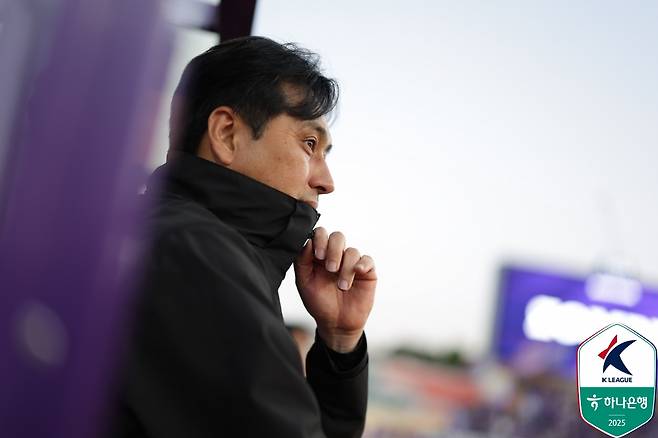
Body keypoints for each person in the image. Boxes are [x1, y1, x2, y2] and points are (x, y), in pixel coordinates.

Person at [111, 36, 377, 438]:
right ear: (226, 134)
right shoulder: (198, 252)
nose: (327, 181)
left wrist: (341, 342)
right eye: (309, 143)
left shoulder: (187, 239)